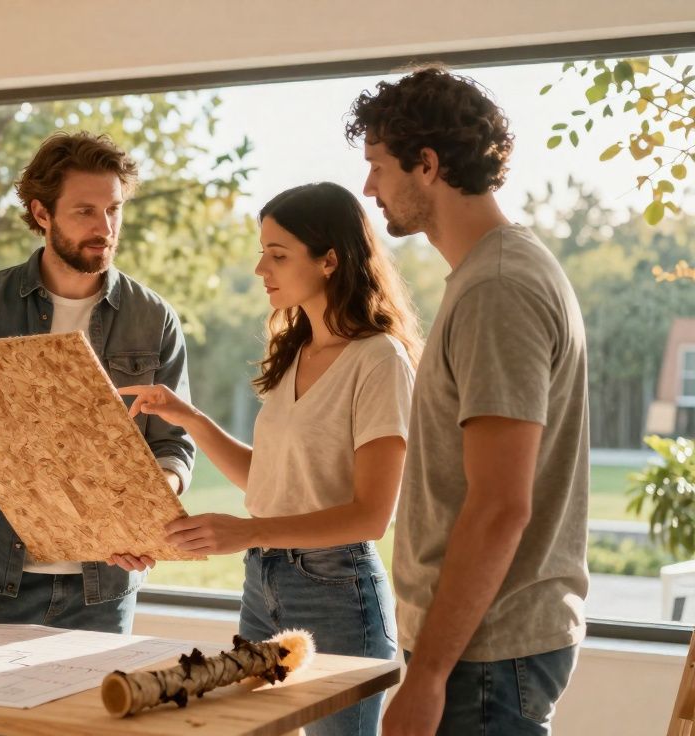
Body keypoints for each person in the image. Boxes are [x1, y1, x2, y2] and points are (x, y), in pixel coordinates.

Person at [116, 181, 420, 736]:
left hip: (339, 593)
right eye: (263, 253)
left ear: (329, 260)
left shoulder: (380, 360)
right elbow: (271, 478)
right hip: (263, 585)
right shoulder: (295, 351)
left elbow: (370, 515)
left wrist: (249, 531)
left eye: (277, 255)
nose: (261, 269)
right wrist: (193, 421)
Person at [345, 67, 589, 735]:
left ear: (426, 165)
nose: (369, 188)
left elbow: (500, 505)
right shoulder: (489, 274)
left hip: (485, 656)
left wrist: (426, 677)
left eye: (378, 166)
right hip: (482, 648)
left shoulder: (497, 289)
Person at [0, 131, 196, 638]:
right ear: (42, 214)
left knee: (89, 720)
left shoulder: (153, 318)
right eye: (85, 211)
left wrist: (145, 510)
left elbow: (174, 446)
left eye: (114, 210)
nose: (104, 227)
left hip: (106, 584)